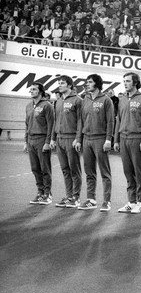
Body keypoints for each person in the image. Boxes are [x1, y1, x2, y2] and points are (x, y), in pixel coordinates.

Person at [114, 72, 141, 214]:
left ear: (135, 82)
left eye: (128, 81)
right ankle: (131, 201)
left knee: (139, 172)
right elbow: (118, 119)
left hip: (137, 139)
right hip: (123, 138)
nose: (125, 83)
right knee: (128, 172)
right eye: (124, 81)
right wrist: (116, 140)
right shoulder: (122, 99)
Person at [78, 74, 115, 212]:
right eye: (86, 82)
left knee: (105, 172)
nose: (86, 84)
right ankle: (91, 199)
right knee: (89, 172)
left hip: (100, 139)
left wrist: (108, 139)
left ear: (97, 84)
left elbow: (111, 121)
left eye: (89, 82)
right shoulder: (85, 99)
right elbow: (81, 119)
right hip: (87, 138)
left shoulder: (106, 100)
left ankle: (106, 201)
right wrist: (80, 138)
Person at [51, 75, 83, 208]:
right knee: (65, 169)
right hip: (59, 138)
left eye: (62, 83)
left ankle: (76, 197)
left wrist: (78, 138)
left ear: (69, 85)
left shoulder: (78, 100)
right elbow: (55, 121)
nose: (60, 85)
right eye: (59, 83)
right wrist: (52, 138)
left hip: (71, 138)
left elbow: (81, 121)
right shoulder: (57, 101)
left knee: (74, 169)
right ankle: (69, 195)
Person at [25, 82, 54, 205]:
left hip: (42, 140)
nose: (31, 91)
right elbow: (26, 124)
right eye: (30, 89)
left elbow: (51, 125)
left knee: (44, 168)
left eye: (34, 89)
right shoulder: (28, 105)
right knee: (35, 168)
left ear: (40, 91)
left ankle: (47, 194)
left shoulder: (47, 105)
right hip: (31, 140)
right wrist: (26, 141)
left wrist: (48, 142)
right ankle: (40, 192)